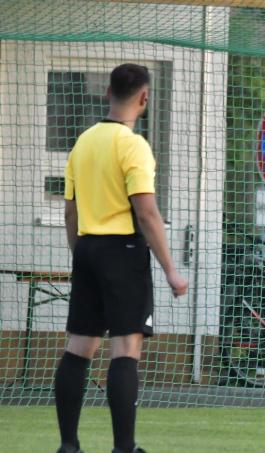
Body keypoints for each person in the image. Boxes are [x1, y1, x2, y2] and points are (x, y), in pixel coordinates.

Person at [57, 63, 189, 453]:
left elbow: (70, 211)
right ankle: (124, 448)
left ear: (108, 92)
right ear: (144, 98)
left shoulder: (83, 142)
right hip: (123, 251)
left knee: (78, 349)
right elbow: (146, 211)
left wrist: (79, 256)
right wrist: (170, 270)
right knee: (126, 349)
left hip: (87, 248)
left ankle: (68, 445)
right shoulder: (133, 145)